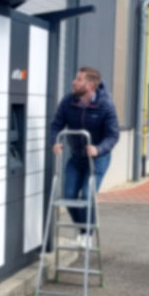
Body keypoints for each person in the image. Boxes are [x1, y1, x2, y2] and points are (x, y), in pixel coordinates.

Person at [50, 67, 119, 247]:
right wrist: (54, 142)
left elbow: (113, 135)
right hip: (76, 158)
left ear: (90, 85)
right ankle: (83, 230)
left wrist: (98, 149)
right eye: (75, 78)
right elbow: (56, 125)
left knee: (87, 196)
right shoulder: (68, 101)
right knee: (69, 196)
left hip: (98, 158)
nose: (74, 82)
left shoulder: (105, 104)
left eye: (78, 79)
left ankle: (87, 234)